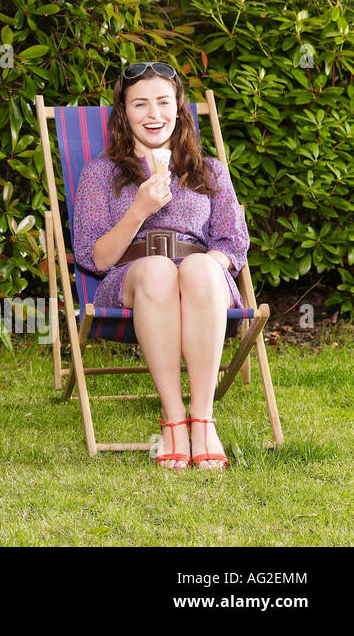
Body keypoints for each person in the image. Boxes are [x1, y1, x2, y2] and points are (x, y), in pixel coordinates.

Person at [72, 61, 250, 471]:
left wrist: (202, 269)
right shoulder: (101, 174)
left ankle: (202, 421)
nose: (153, 115)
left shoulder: (208, 170)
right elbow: (94, 257)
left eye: (163, 102)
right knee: (157, 269)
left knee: (200, 269)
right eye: (140, 104)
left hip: (202, 279)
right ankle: (173, 419)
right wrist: (139, 209)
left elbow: (233, 242)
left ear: (179, 108)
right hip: (132, 278)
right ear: (124, 113)